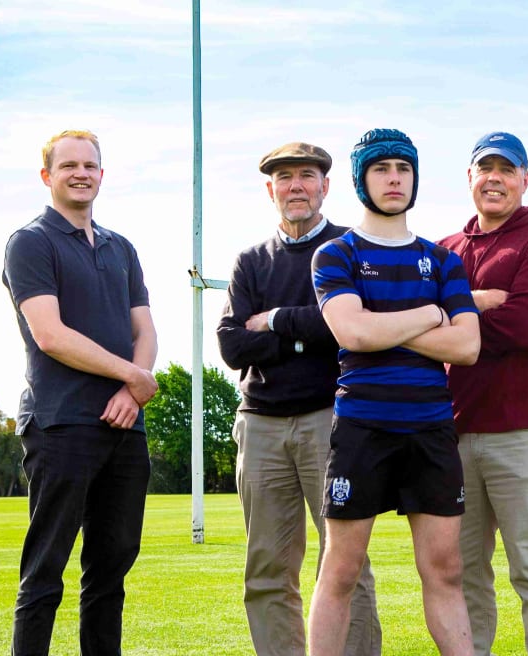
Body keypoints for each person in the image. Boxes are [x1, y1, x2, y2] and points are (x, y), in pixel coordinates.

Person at [307, 129, 480, 656]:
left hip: (430, 428)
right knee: (341, 569)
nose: (394, 178)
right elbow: (353, 334)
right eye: (381, 169)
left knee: (445, 571)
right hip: (363, 426)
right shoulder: (335, 255)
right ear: (361, 179)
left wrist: (386, 323)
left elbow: (468, 345)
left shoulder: (443, 260)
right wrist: (431, 313)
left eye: (403, 169)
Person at [217, 142, 381, 656]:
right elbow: (231, 344)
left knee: (345, 563)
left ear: (325, 186)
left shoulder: (349, 249)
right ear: (271, 189)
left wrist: (277, 324)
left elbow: (349, 329)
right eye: (284, 178)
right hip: (260, 423)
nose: (295, 186)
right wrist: (306, 330)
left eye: (306, 176)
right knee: (267, 568)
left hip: (331, 419)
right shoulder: (250, 261)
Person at [3, 130, 158, 655]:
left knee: (109, 575)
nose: (81, 173)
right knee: (44, 573)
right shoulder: (30, 241)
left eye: (90, 165)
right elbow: (51, 335)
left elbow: (146, 331)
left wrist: (132, 395)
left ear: (102, 175)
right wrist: (134, 378)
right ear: (47, 175)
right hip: (61, 424)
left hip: (124, 430)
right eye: (68, 165)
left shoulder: (121, 248)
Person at [438, 131, 528, 656]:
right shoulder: (443, 250)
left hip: (526, 431)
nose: (493, 178)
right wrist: (475, 302)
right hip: (452, 431)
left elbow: (519, 327)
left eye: (505, 169)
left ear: (525, 179)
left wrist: (448, 321)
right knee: (458, 573)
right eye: (484, 168)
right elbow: (407, 319)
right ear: (469, 178)